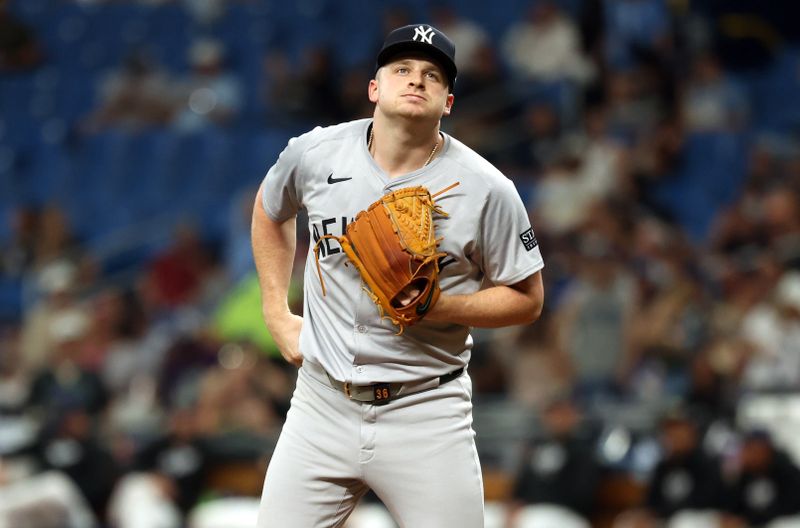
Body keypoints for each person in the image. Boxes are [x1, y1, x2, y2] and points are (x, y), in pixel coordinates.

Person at [251, 23, 545, 527]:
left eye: (432, 75)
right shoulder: (315, 154)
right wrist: (276, 311)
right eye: (402, 69)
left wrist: (440, 306)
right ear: (374, 88)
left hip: (426, 409)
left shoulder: (487, 188)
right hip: (322, 402)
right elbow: (269, 208)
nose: (416, 80)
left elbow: (528, 298)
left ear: (447, 101)